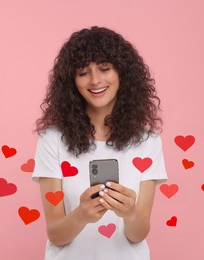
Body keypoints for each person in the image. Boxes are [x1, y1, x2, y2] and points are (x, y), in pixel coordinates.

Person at [32, 26, 167, 260]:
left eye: (104, 69)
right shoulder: (52, 140)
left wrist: (130, 212)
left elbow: (138, 234)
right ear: (71, 80)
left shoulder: (148, 143)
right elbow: (55, 234)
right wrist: (81, 215)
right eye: (83, 72)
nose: (95, 81)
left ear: (122, 73)